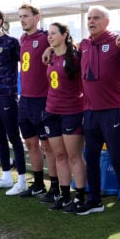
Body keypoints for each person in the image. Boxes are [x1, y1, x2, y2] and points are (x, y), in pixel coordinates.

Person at [75, 5, 120, 226]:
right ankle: (94, 200)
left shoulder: (118, 42)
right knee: (90, 157)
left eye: (97, 18)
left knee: (118, 159)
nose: (91, 21)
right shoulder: (83, 44)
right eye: (89, 18)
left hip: (112, 111)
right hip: (89, 110)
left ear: (107, 22)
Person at [0, 8, 28, 194]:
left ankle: (22, 180)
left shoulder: (11, 42)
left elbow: (25, 65)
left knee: (14, 137)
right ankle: (6, 176)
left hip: (7, 95)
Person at [44, 22, 87, 212]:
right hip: (51, 111)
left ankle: (80, 196)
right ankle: (64, 195)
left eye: (53, 33)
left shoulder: (77, 56)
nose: (50, 37)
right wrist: (48, 48)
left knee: (74, 156)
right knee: (59, 156)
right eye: (48, 34)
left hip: (71, 112)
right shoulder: (50, 55)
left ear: (64, 35)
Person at [17, 3, 57, 199]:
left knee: (47, 145)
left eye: (26, 16)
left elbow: (63, 45)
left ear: (37, 17)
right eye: (20, 16)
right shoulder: (23, 39)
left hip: (42, 100)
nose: (22, 19)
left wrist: (50, 47)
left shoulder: (44, 38)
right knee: (30, 143)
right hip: (24, 100)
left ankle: (55, 186)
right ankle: (39, 183)